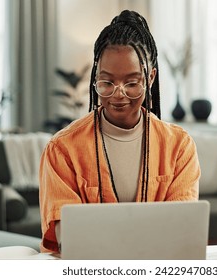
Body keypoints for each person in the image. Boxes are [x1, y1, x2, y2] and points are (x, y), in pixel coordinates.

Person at [39, 10, 200, 254]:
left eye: (132, 83)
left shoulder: (179, 146)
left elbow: (181, 231)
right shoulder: (62, 149)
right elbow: (68, 237)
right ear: (96, 78)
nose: (118, 94)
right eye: (107, 82)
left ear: (150, 78)